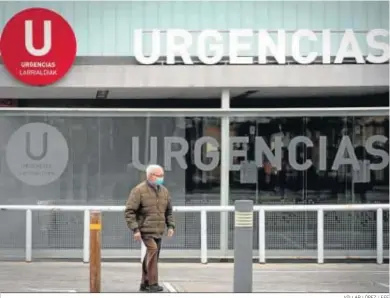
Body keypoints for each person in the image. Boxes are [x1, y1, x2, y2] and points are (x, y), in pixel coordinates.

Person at [124, 164, 175, 292]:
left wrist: (171, 226)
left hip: (158, 229)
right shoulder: (139, 190)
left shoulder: (164, 191)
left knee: (152, 255)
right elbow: (129, 211)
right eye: (159, 175)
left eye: (162, 175)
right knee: (153, 250)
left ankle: (144, 282)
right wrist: (135, 229)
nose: (162, 178)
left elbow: (168, 211)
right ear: (151, 176)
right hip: (145, 229)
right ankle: (152, 283)